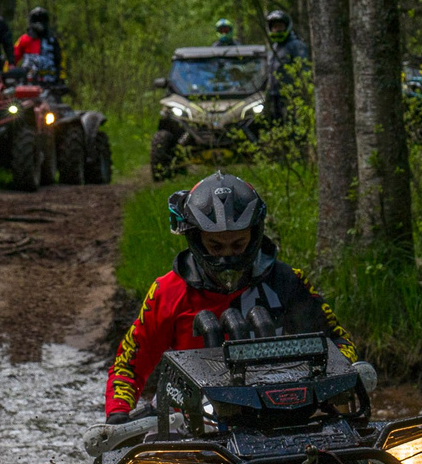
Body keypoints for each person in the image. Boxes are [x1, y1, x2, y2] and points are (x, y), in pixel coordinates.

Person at [106, 170, 361, 417]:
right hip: (189, 421)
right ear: (196, 240)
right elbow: (128, 365)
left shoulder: (288, 282)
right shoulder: (168, 291)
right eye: (215, 246)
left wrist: (341, 379)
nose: (227, 257)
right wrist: (118, 412)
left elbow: (338, 342)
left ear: (255, 236)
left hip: (284, 412)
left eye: (238, 245)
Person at [262, 8, 309, 121]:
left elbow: (304, 70)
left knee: (291, 122)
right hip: (274, 95)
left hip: (290, 96)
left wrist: (301, 93)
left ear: (286, 27)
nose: (277, 30)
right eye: (274, 27)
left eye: (280, 26)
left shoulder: (296, 46)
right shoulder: (274, 48)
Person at [11, 6, 61, 80]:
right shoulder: (24, 39)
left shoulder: (53, 41)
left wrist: (61, 77)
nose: (38, 24)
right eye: (36, 21)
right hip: (27, 81)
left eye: (41, 20)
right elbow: (13, 57)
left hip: (49, 81)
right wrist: (8, 74)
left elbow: (60, 59)